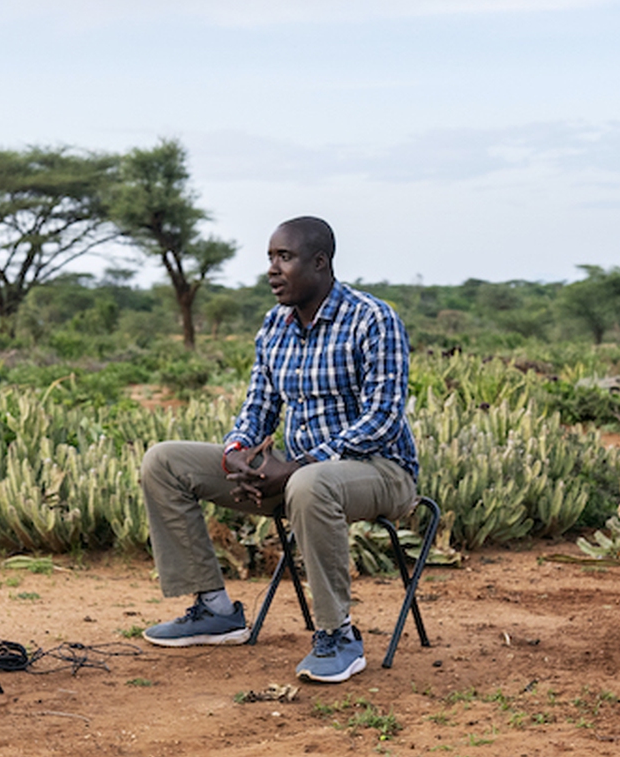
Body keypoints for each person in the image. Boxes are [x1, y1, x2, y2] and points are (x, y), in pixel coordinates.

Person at [139, 216, 418, 684]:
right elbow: (258, 409)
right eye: (270, 257)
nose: (272, 269)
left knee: (311, 483)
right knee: (164, 462)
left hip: (381, 471)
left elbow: (383, 418)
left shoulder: (373, 319)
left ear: (320, 262)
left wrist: (300, 465)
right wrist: (237, 454)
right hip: (297, 476)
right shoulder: (275, 325)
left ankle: (338, 636)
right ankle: (215, 610)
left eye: (284, 257)